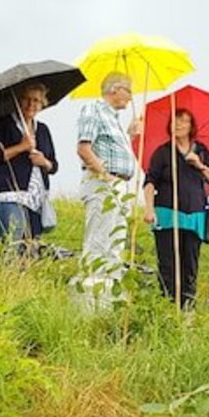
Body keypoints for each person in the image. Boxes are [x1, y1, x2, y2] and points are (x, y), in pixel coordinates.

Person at [75, 72, 140, 307]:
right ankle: (91, 296)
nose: (131, 97)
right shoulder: (94, 109)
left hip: (119, 185)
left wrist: (131, 135)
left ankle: (110, 292)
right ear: (115, 89)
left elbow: (114, 150)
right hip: (104, 183)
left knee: (116, 241)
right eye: (129, 91)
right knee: (99, 239)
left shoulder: (114, 119)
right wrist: (105, 175)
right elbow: (84, 147)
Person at [143, 108, 209, 306]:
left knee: (189, 267)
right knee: (168, 266)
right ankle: (167, 308)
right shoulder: (163, 152)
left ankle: (187, 310)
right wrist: (148, 209)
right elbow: (150, 182)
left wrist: (199, 165)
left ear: (191, 126)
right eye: (175, 120)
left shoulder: (201, 150)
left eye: (184, 121)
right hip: (167, 215)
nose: (178, 125)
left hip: (194, 217)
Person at [0, 84, 58, 255]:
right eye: (27, 99)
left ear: (42, 104)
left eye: (36, 101)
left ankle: (24, 281)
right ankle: (8, 280)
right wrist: (21, 146)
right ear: (18, 100)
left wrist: (44, 162)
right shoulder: (4, 124)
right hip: (10, 195)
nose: (31, 104)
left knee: (31, 251)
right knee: (13, 246)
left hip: (36, 200)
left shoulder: (43, 130)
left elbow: (54, 165)